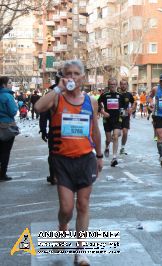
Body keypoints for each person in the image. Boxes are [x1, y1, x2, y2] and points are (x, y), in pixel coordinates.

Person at [34, 60, 103, 265]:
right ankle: (62, 227)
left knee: (82, 204)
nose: (72, 77)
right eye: (67, 74)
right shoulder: (57, 98)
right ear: (62, 77)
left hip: (85, 159)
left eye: (75, 74)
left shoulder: (90, 101)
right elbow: (38, 107)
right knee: (66, 208)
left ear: (83, 77)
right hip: (62, 160)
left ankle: (80, 250)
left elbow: (95, 130)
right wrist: (58, 88)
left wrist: (99, 155)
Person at [39, 72, 62, 185]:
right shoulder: (52, 94)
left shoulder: (74, 94)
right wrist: (43, 129)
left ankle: (55, 175)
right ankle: (54, 175)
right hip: (56, 130)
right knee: (54, 153)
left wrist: (43, 130)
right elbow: (42, 112)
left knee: (54, 153)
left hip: (61, 130)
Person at [98, 78, 122, 166]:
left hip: (117, 119)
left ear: (116, 85)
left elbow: (125, 107)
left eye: (114, 84)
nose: (112, 86)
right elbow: (97, 104)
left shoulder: (120, 95)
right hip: (107, 120)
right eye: (111, 84)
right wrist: (103, 112)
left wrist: (126, 112)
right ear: (108, 85)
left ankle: (114, 157)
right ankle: (107, 147)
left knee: (115, 136)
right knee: (108, 139)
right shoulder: (104, 95)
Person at [0, 76, 18, 182]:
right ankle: (3, 174)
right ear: (4, 85)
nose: (11, 85)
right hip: (6, 126)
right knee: (5, 151)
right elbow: (13, 111)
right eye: (10, 82)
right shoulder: (7, 96)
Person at [118, 79, 135, 155]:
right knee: (117, 134)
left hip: (125, 115)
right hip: (116, 116)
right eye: (122, 84)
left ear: (127, 85)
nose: (123, 85)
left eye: (125, 84)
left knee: (125, 132)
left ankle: (122, 147)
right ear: (120, 85)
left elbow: (134, 102)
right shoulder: (116, 94)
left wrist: (132, 108)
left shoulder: (129, 94)